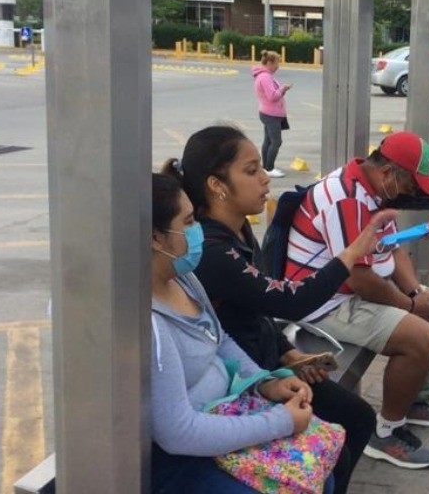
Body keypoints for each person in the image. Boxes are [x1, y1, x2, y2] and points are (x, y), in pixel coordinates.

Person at [165, 125, 398, 494]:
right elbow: (287, 299)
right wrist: (353, 252)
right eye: (251, 170)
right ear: (217, 185)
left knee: (354, 421)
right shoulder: (210, 251)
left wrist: (290, 354)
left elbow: (257, 305)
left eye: (261, 167)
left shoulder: (240, 230)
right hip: (241, 383)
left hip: (265, 366)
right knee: (347, 431)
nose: (264, 178)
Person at [148, 172, 331, 494]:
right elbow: (178, 433)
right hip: (181, 458)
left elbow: (219, 339)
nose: (198, 230)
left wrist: (266, 383)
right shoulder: (150, 324)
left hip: (227, 410)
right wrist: (281, 422)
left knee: (323, 469)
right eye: (188, 222)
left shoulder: (183, 279)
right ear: (155, 238)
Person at [288, 132, 429, 470]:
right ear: (389, 172)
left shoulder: (374, 191)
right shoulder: (346, 199)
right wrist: (411, 307)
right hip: (325, 302)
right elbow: (359, 279)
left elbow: (394, 250)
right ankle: (385, 432)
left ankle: (412, 399)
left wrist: (416, 294)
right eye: (411, 184)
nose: (413, 192)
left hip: (355, 290)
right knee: (421, 337)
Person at [253, 50, 292, 178]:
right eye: (276, 63)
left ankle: (266, 167)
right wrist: (282, 88)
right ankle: (269, 168)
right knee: (276, 142)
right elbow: (272, 96)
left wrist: (282, 90)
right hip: (271, 114)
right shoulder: (265, 77)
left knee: (268, 141)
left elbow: (272, 94)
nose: (278, 67)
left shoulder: (264, 76)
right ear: (269, 63)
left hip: (268, 113)